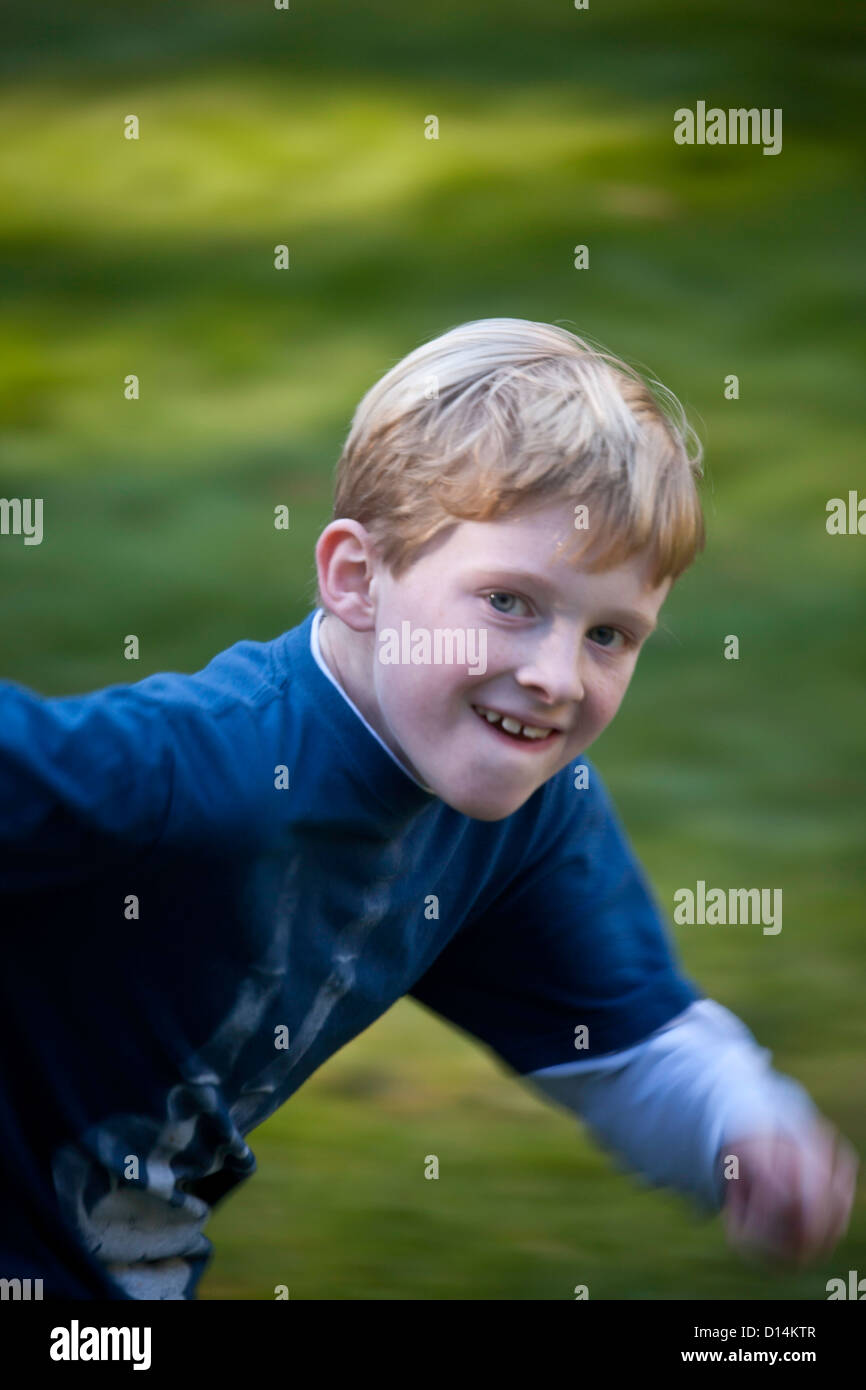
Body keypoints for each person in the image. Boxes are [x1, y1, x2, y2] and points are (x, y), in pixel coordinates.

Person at [0, 318, 856, 1300]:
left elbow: (621, 1040)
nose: (554, 676)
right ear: (356, 579)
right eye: (507, 602)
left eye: (609, 633)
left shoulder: (524, 817)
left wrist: (739, 1125)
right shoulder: (199, 765)